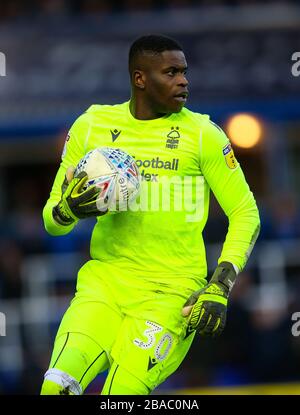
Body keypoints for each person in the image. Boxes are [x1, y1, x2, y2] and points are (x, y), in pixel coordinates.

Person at [40, 34, 260, 395]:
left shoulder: (204, 134)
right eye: (171, 72)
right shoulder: (92, 126)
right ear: (140, 78)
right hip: (104, 286)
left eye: (184, 72)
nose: (183, 80)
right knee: (55, 388)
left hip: (171, 296)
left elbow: (245, 212)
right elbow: (52, 222)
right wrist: (67, 210)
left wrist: (220, 286)